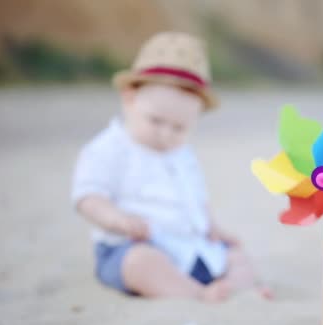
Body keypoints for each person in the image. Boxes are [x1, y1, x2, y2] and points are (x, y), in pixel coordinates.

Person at [71, 32, 270, 302]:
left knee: (238, 256)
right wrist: (117, 219)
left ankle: (235, 288)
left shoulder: (183, 154)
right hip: (131, 245)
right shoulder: (109, 148)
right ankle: (199, 294)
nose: (166, 134)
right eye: (155, 121)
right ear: (129, 98)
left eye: (179, 128)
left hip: (190, 247)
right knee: (140, 265)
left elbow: (196, 198)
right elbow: (88, 196)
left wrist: (212, 227)